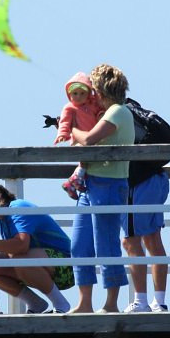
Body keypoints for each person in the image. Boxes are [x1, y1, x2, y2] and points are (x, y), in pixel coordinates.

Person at [70, 64, 134, 313]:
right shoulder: (107, 112)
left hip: (109, 185)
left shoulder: (118, 111)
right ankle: (85, 303)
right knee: (80, 245)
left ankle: (111, 304)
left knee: (106, 244)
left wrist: (70, 130)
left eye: (94, 89)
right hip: (91, 185)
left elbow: (88, 140)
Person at [0, 181, 73, 314]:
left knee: (19, 256)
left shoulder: (17, 207)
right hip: (41, 265)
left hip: (66, 268)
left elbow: (21, 246)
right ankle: (35, 303)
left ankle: (61, 304)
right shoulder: (0, 217)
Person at [121, 167, 170, 313]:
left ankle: (140, 301)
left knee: (131, 241)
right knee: (153, 239)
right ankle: (159, 302)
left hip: (138, 181)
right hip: (157, 177)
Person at [54, 72, 104, 200]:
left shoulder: (92, 105)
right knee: (86, 158)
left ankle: (72, 182)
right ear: (69, 94)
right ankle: (75, 180)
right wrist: (62, 134)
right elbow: (64, 122)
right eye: (75, 93)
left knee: (88, 161)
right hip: (79, 139)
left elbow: (100, 109)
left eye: (82, 93)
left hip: (92, 137)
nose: (78, 96)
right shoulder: (70, 108)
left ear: (89, 93)